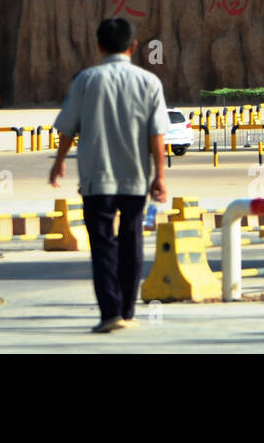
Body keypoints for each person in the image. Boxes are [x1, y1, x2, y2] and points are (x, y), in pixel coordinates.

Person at [48, 17, 169, 333]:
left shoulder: (86, 80)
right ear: (134, 46)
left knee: (102, 245)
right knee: (131, 241)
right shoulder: (149, 82)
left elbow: (67, 128)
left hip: (96, 179)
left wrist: (58, 162)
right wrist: (160, 177)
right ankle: (128, 311)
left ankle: (110, 313)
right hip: (135, 178)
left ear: (99, 46)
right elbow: (157, 135)